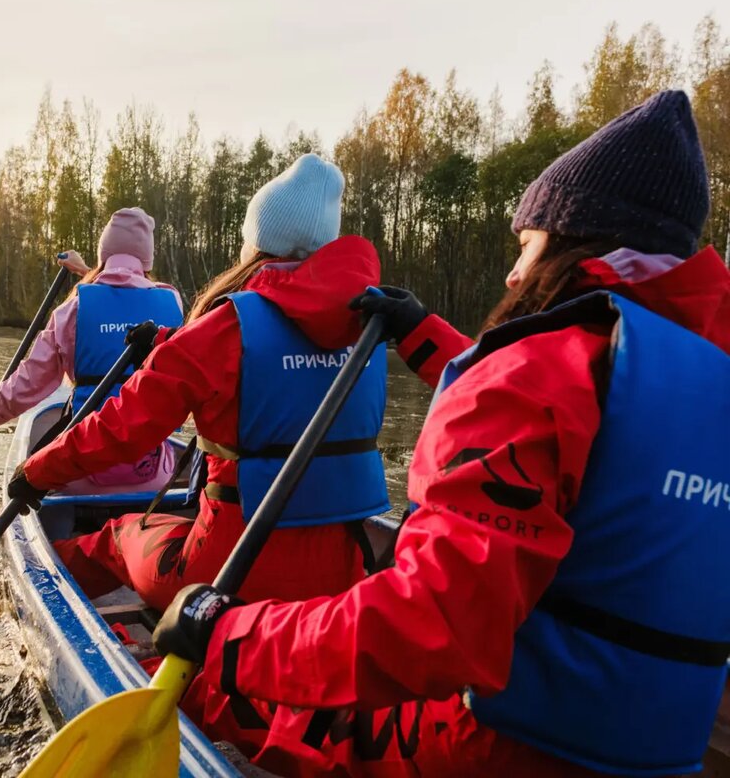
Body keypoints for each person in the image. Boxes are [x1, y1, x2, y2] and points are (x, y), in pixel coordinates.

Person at [153, 90, 730, 778]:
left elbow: (428, 630)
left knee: (238, 694)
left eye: (528, 243)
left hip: (490, 747)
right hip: (661, 758)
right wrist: (421, 331)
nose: (515, 272)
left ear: (577, 240)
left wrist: (229, 637)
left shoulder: (537, 373)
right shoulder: (703, 375)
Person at [8, 154, 394, 611]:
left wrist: (37, 471)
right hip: (342, 577)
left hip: (226, 575)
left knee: (116, 537)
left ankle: (24, 599)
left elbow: (122, 429)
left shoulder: (223, 328)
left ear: (258, 242)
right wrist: (171, 341)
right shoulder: (368, 325)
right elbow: (271, 354)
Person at [0, 207, 184, 495]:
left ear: (103, 255)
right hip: (151, 472)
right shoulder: (172, 302)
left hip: (82, 470)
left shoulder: (71, 310)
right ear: (147, 258)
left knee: (52, 468)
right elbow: (129, 291)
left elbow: (32, 381)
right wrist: (87, 271)